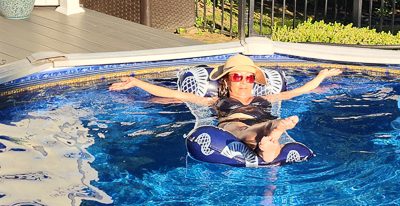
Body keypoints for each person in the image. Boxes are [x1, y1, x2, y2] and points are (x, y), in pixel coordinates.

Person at [109, 55, 342, 162]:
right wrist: (136, 82)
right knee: (245, 131)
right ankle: (270, 140)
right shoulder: (213, 102)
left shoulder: (269, 97)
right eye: (238, 76)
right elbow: (174, 93)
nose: (243, 82)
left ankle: (272, 137)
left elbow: (299, 91)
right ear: (226, 80)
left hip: (265, 121)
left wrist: (320, 75)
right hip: (235, 124)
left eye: (249, 78)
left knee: (269, 123)